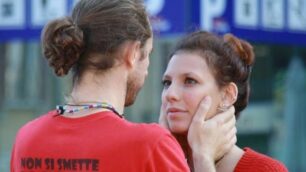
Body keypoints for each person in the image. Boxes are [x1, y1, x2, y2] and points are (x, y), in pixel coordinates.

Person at [10, 0, 236, 172]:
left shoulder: (27, 138)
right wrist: (204, 158)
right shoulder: (151, 145)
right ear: (133, 53)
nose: (147, 70)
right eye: (147, 55)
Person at [159, 31, 288, 172]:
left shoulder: (265, 170)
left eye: (190, 81)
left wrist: (203, 159)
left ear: (227, 95)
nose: (170, 94)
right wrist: (164, 151)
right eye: (167, 83)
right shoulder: (151, 163)